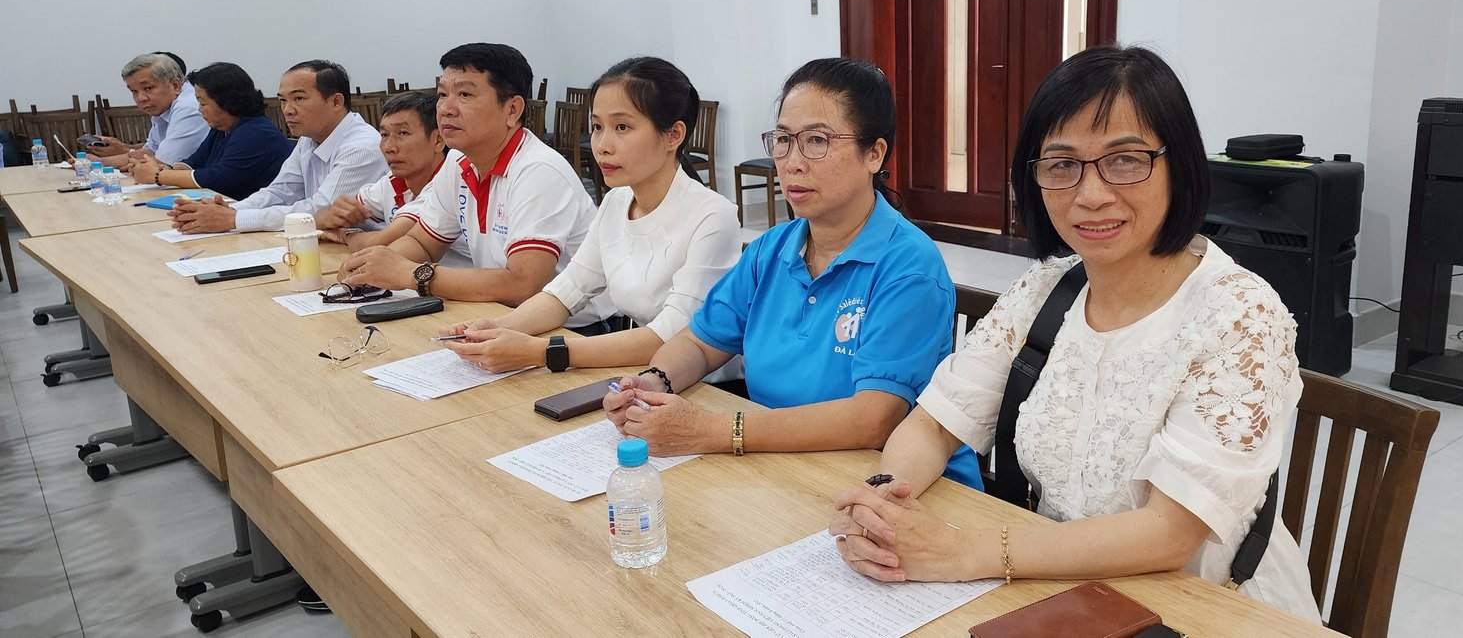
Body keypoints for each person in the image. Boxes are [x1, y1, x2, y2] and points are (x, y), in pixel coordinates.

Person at [826, 45, 1320, 621]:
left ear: (1180, 164)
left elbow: (1170, 534)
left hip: (1202, 607)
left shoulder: (1239, 314)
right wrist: (884, 502)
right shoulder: (1045, 290)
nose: (1091, 194)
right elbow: (934, 424)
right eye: (1062, 165)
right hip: (1060, 591)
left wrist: (963, 551)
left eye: (1125, 160)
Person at [601, 57, 980, 489]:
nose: (792, 162)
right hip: (782, 467)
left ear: (874, 154)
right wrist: (654, 384)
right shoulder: (772, 249)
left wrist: (713, 430)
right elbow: (699, 343)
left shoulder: (908, 267)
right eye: (783, 140)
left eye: (816, 141)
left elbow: (873, 418)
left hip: (896, 485)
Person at [438, 56, 740, 373]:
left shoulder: (711, 217)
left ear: (673, 135)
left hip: (703, 385)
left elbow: (670, 336)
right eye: (597, 127)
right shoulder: (616, 202)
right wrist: (495, 328)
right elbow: (566, 292)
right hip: (638, 371)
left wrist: (539, 351)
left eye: (622, 127)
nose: (602, 145)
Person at [338, 43, 608, 319]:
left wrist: (409, 273)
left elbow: (523, 284)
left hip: (574, 330)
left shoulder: (538, 170)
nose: (446, 109)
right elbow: (422, 243)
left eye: (465, 94)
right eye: (442, 94)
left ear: (512, 110)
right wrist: (372, 269)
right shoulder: (458, 162)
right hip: (499, 314)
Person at [168, 60, 386, 233]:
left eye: (298, 99)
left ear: (336, 102)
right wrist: (227, 211)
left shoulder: (361, 147)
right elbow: (281, 191)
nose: (288, 109)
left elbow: (322, 210)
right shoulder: (308, 139)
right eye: (283, 100)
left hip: (362, 250)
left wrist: (235, 219)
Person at [315, 91, 472, 268]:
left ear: (438, 140)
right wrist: (334, 213)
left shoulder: (447, 182)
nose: (389, 147)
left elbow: (381, 244)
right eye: (384, 135)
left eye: (402, 133)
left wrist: (345, 234)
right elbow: (324, 218)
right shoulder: (394, 181)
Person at [127, 63, 293, 200]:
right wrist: (162, 168)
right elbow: (195, 161)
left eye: (203, 103)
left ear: (226, 101)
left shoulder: (256, 132)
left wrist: (158, 175)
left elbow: (218, 178)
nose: (200, 110)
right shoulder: (222, 129)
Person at [92, 53, 209, 169]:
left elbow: (163, 161)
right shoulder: (162, 108)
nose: (140, 98)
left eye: (148, 88)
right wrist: (98, 162)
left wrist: (98, 163)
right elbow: (150, 150)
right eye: (134, 91)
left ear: (175, 85)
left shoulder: (189, 107)